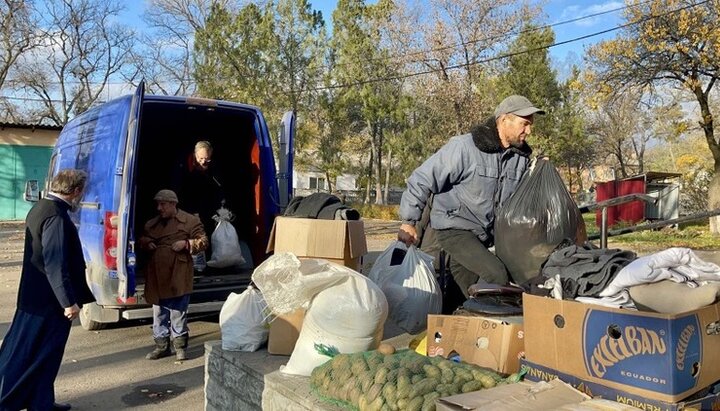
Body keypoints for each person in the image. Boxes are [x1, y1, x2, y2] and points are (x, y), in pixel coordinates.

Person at [397, 95, 544, 306]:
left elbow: (519, 201)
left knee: (461, 289)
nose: (529, 131)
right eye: (525, 124)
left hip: (483, 235)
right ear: (504, 121)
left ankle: (447, 327)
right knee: (497, 275)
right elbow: (422, 178)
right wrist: (408, 221)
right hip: (454, 228)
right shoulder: (464, 147)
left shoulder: (520, 159)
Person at [0, 169, 94, 411]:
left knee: (44, 356)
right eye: (81, 192)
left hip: (35, 299)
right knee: (32, 355)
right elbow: (55, 263)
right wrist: (68, 303)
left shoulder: (41, 207)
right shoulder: (56, 216)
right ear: (75, 191)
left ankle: (41, 402)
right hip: (48, 303)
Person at [139, 189, 208, 360]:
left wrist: (186, 243)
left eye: (163, 204)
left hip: (178, 272)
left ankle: (180, 347)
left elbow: (203, 241)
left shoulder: (190, 221)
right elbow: (142, 239)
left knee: (178, 312)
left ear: (173, 204)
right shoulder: (152, 224)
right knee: (159, 312)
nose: (159, 208)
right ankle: (162, 346)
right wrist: (147, 243)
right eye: (158, 204)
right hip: (157, 273)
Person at [179, 140, 225, 239]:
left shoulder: (213, 167)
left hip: (206, 206)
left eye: (207, 159)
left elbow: (219, 188)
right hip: (186, 205)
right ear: (194, 154)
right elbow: (177, 190)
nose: (204, 162)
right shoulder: (182, 167)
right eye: (200, 159)